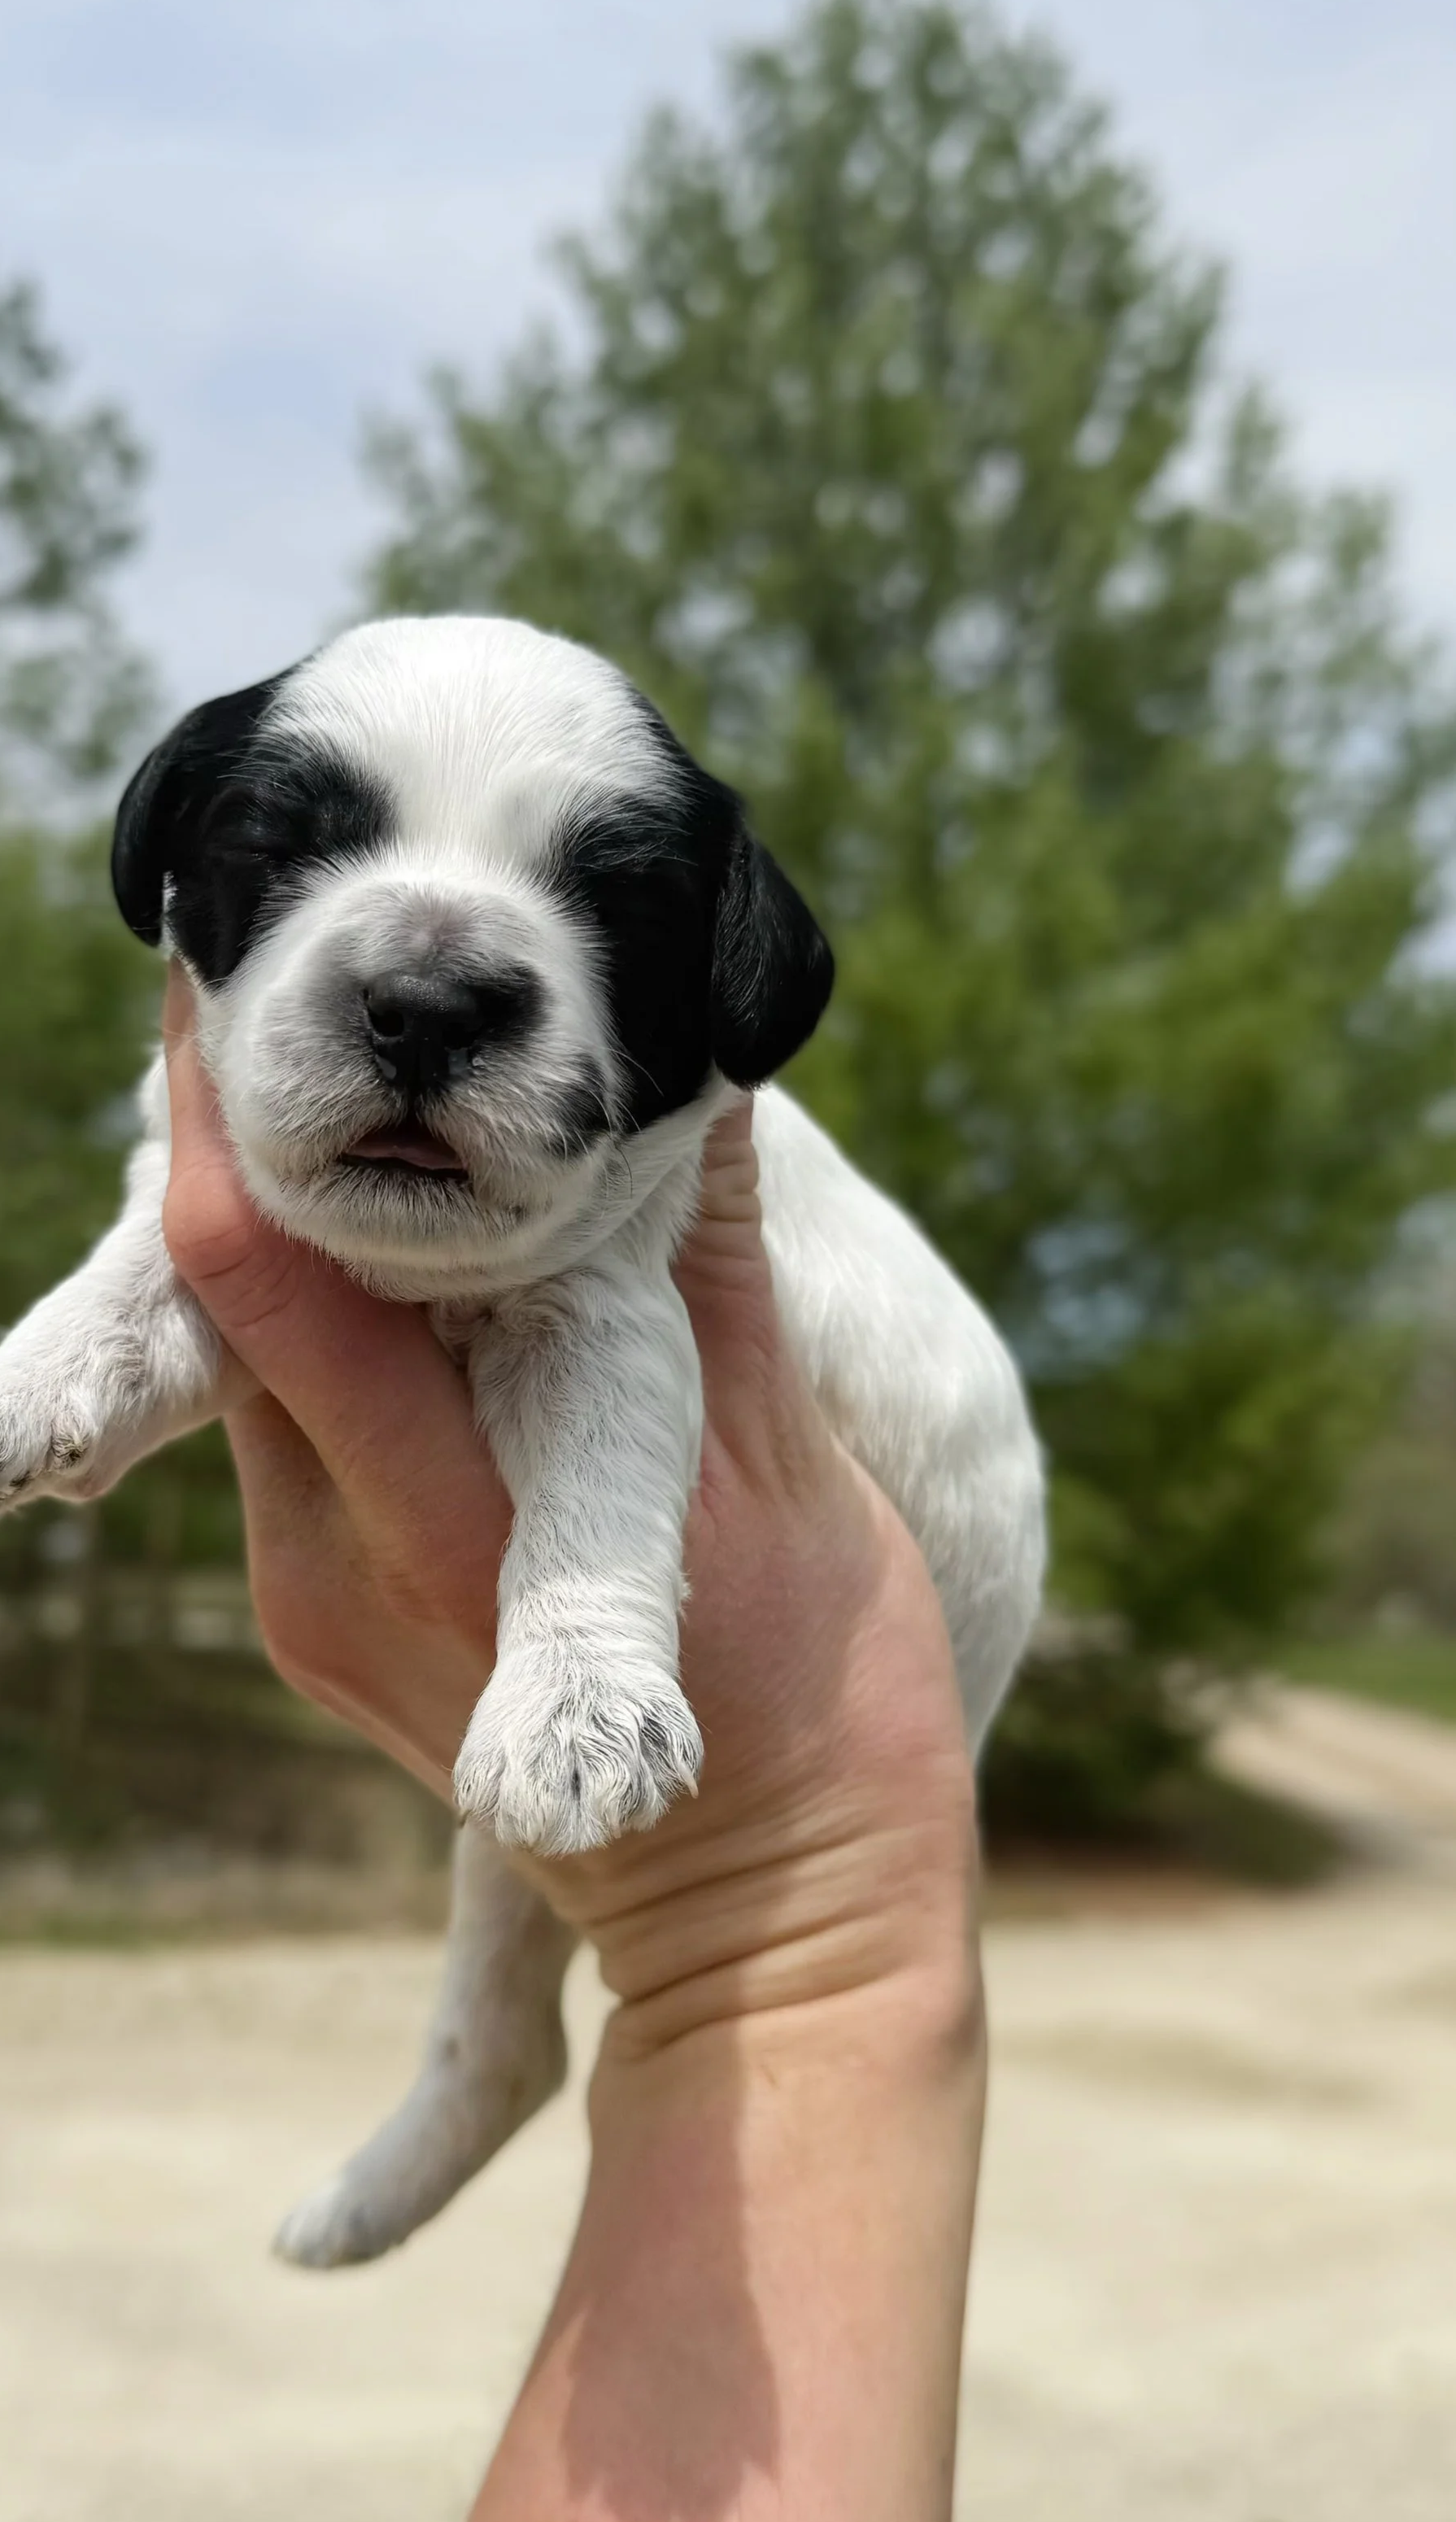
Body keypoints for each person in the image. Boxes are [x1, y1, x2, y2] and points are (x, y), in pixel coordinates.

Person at [159, 973, 987, 2520]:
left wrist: (783, 1912)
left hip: (896, 1540)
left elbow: (613, 1340)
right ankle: (487, 2052)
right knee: (532, 1740)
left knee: (552, 1705)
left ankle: (486, 2051)